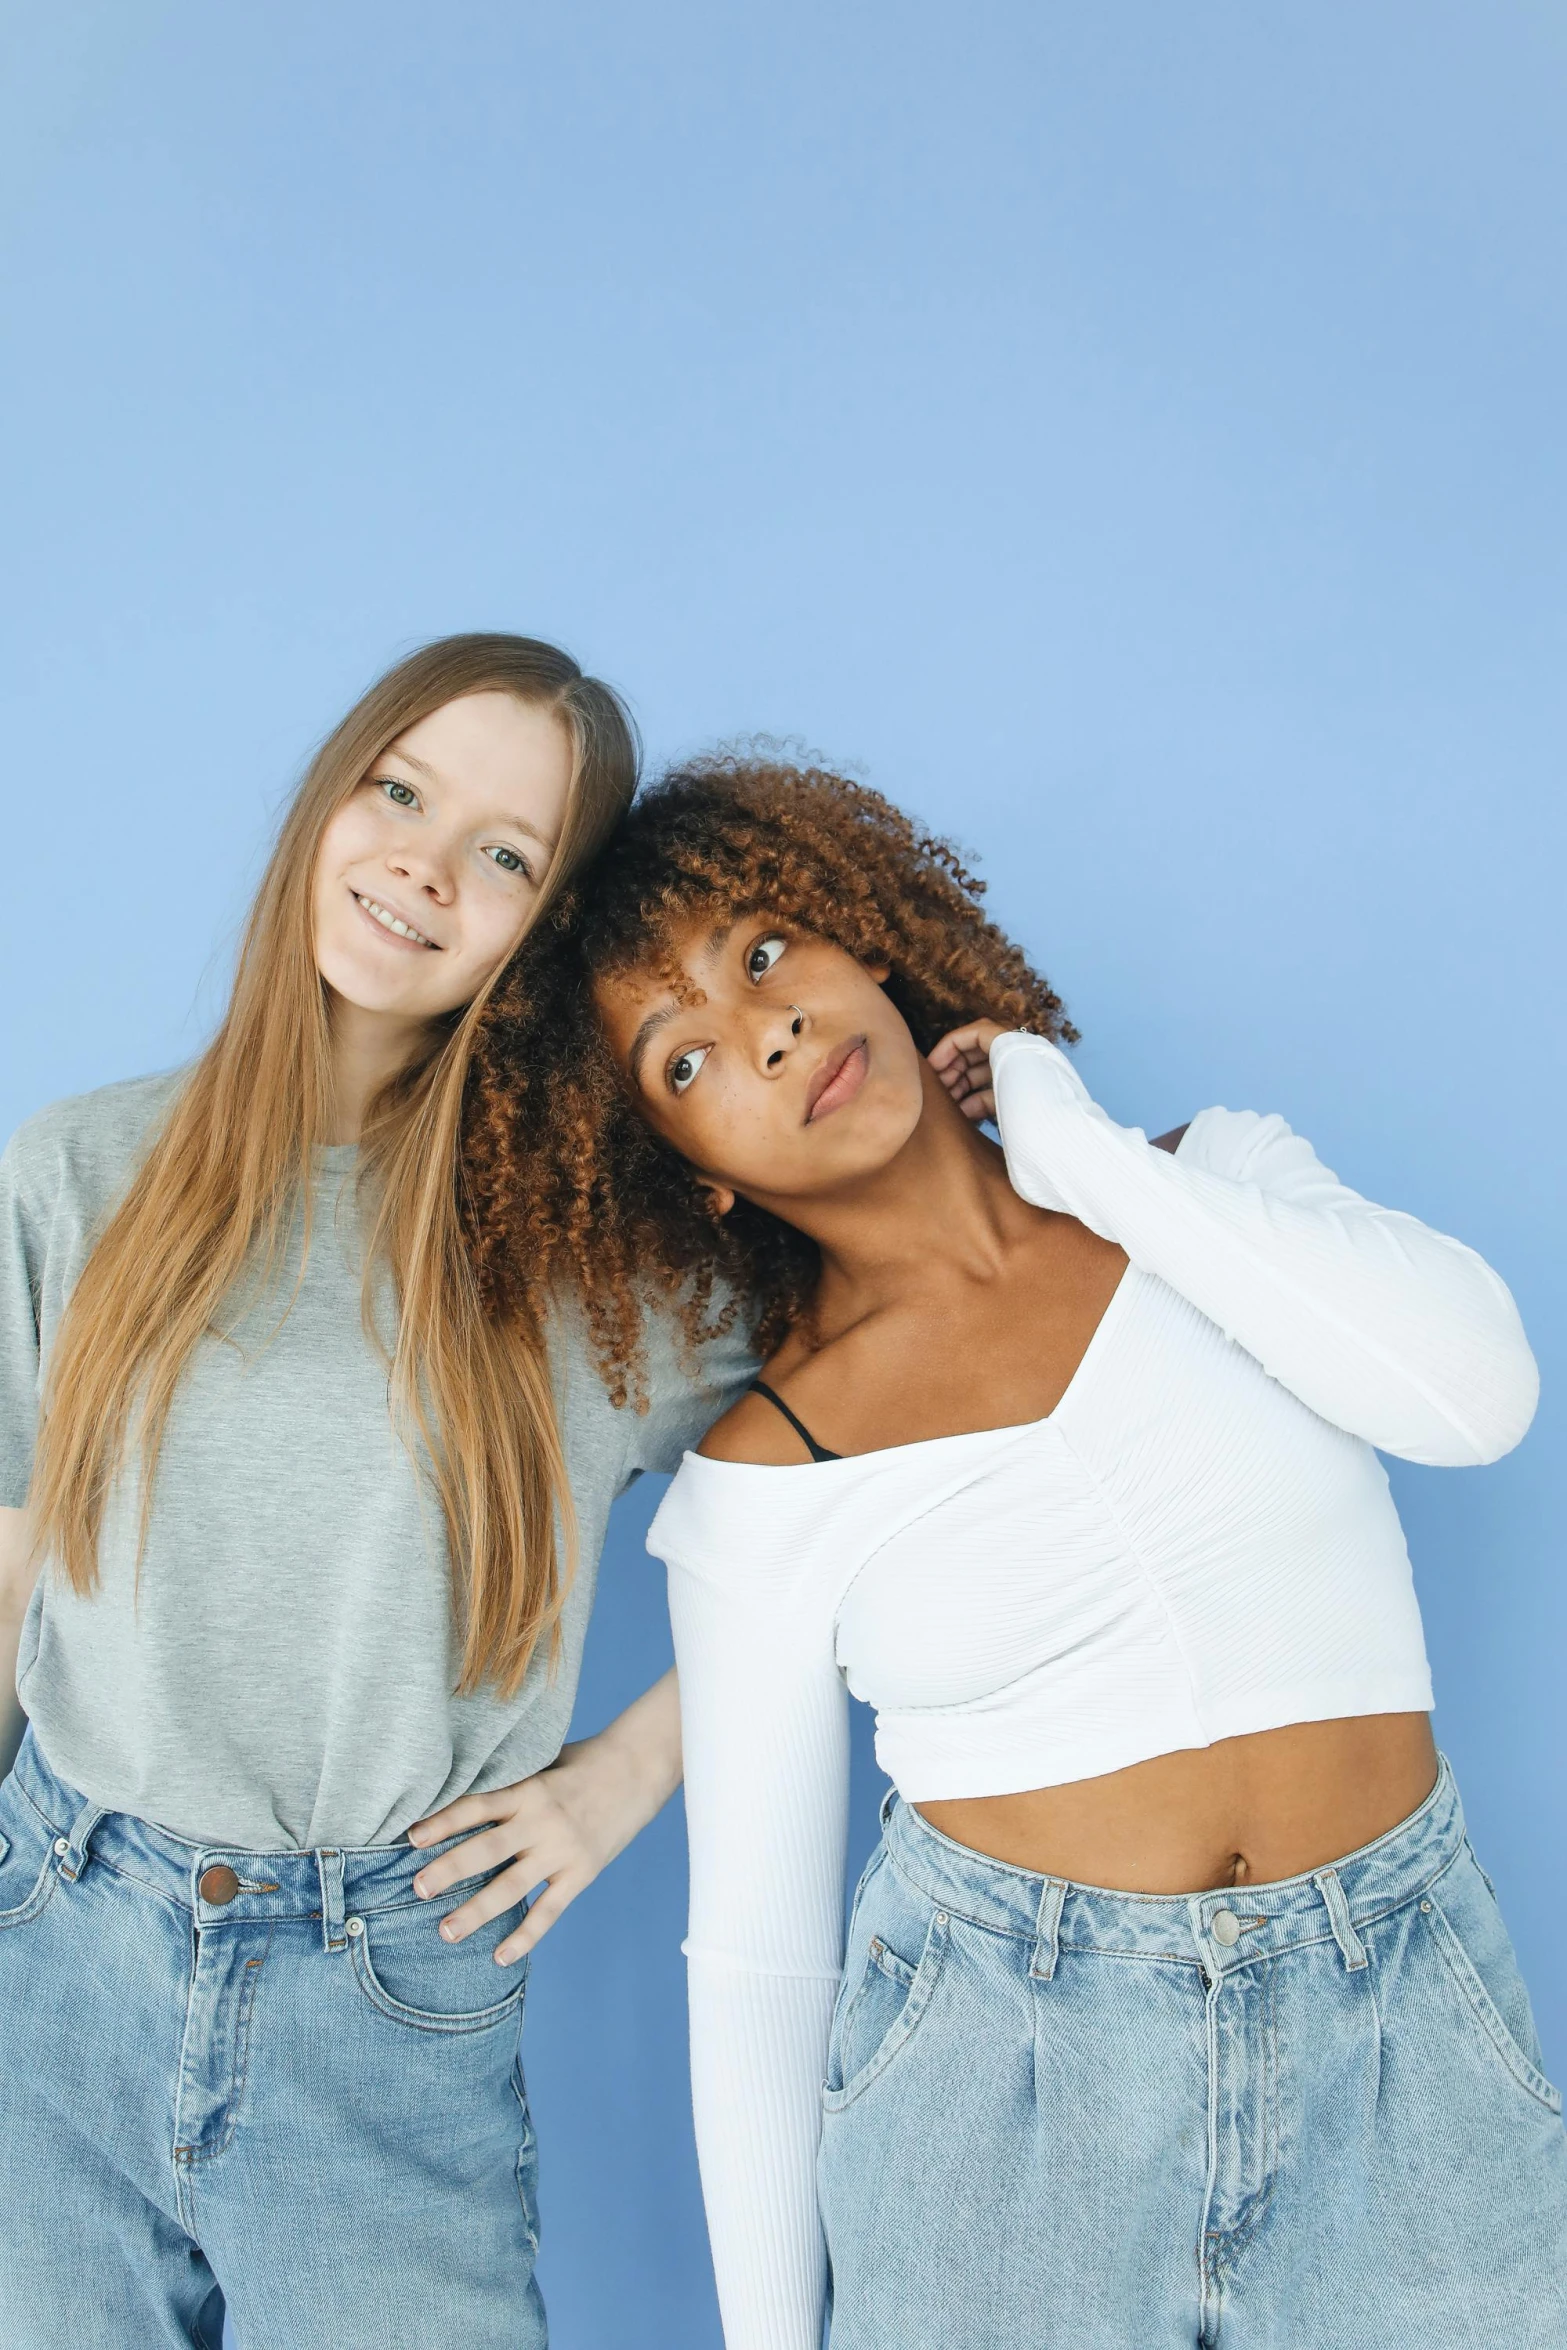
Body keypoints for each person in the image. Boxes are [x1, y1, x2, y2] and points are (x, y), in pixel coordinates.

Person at [494, 750, 1567, 2349]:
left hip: (1400, 2036)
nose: (767, 1028)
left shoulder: (1214, 1184)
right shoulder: (762, 1478)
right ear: (695, 1173)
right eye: (687, 1054)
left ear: (866, 941)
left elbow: (1473, 1398)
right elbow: (763, 1965)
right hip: (1006, 2104)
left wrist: (1085, 1157)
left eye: (768, 952)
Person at [0, 635, 755, 2350]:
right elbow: (14, 1562)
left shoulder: (600, 1267)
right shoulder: (77, 1169)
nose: (422, 860)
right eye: (399, 790)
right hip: (54, 1944)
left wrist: (621, 1779)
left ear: (548, 926)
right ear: (329, 800)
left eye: (503, 851)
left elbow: (890, 1494)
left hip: (385, 2003)